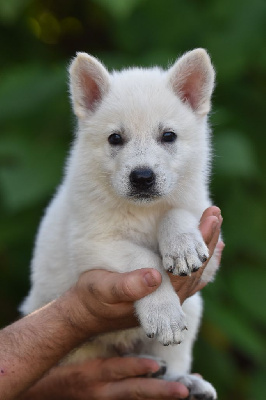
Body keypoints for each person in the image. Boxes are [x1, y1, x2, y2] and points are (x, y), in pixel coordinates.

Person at [0, 207, 223, 400]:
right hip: (74, 350)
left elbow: (205, 268)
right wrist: (78, 316)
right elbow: (93, 245)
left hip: (138, 346)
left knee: (190, 307)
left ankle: (173, 374)